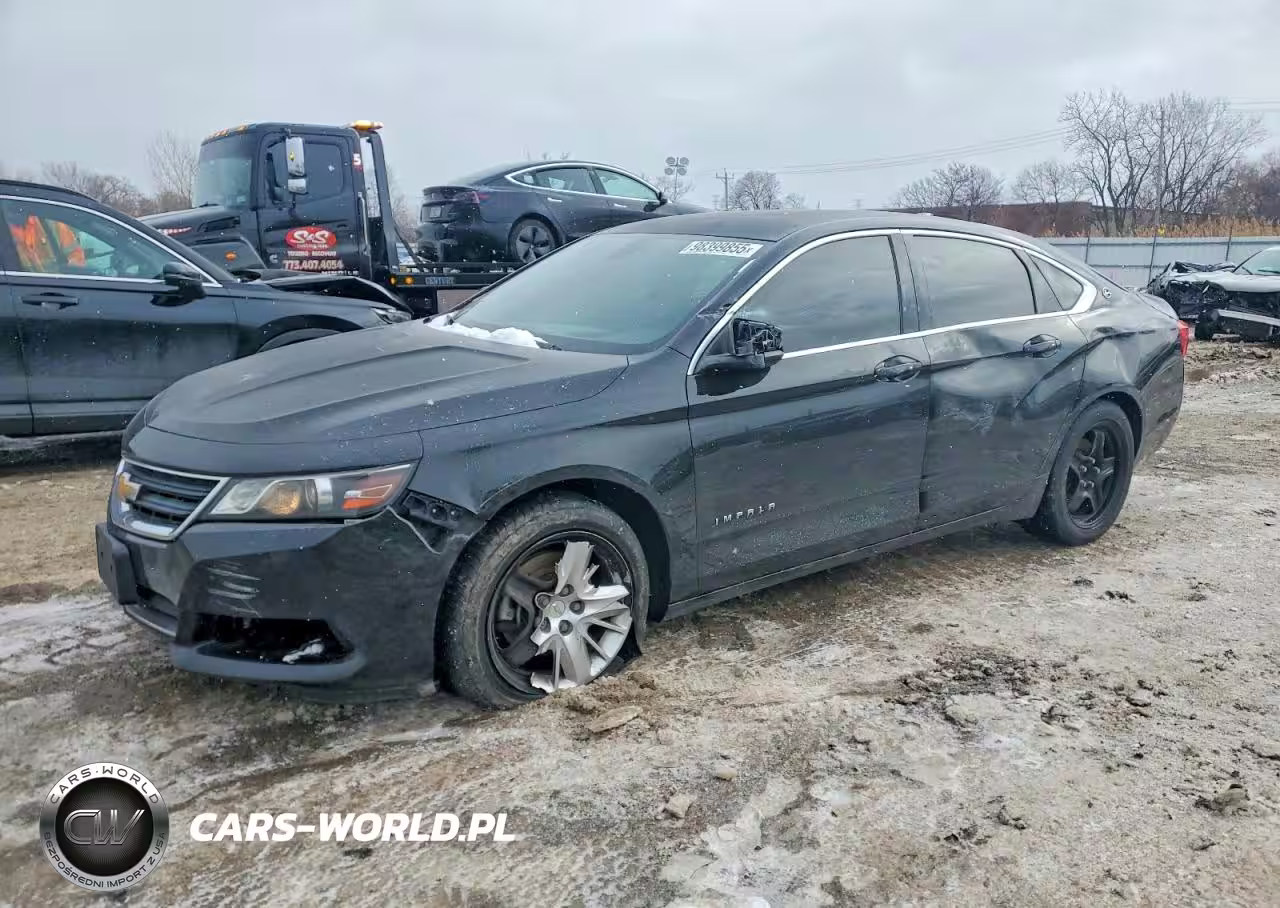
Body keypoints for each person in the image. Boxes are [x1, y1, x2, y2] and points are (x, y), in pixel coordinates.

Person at [6, 211, 86, 271]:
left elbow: (76, 256)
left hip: (59, 288)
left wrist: (69, 281)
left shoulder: (52, 225)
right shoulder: (5, 232)